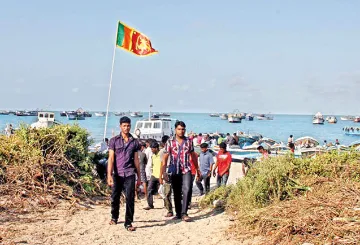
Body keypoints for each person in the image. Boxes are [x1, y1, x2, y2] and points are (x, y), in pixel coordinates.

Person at [160, 121, 200, 222]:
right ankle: (178, 213)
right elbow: (164, 158)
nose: (181, 131)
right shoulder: (170, 142)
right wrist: (163, 172)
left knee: (187, 189)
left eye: (183, 129)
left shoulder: (189, 141)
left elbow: (193, 156)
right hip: (174, 170)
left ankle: (184, 213)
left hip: (186, 169)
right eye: (179, 129)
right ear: (175, 130)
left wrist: (197, 169)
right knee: (176, 192)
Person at [107, 116, 141, 231]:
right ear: (120, 126)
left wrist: (139, 176)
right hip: (117, 174)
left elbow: (136, 160)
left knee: (130, 198)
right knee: (115, 197)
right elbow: (111, 158)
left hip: (130, 173)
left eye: (128, 126)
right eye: (124, 126)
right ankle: (114, 217)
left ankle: (128, 222)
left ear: (130, 126)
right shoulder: (114, 141)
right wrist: (109, 175)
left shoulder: (135, 142)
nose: (126, 128)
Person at [144, 141, 162, 210]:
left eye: (152, 149)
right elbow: (151, 165)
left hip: (161, 175)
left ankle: (168, 206)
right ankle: (150, 204)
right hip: (154, 175)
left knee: (163, 192)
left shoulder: (161, 154)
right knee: (149, 189)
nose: (151, 150)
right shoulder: (153, 156)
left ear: (156, 148)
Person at [159, 135, 173, 217]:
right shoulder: (162, 152)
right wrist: (161, 175)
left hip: (175, 172)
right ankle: (169, 210)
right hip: (167, 172)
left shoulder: (175, 150)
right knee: (167, 193)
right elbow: (162, 164)